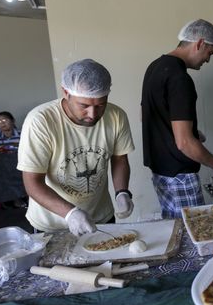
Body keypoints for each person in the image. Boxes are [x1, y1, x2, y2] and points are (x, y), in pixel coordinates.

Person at [17, 59, 136, 235]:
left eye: (100, 105)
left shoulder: (116, 116)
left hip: (101, 218)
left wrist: (122, 192)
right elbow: (33, 182)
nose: (93, 114)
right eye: (84, 105)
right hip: (53, 223)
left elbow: (119, 159)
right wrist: (70, 213)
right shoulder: (40, 121)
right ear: (66, 92)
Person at [141, 19, 213, 219]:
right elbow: (184, 143)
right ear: (199, 43)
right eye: (209, 53)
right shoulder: (179, 78)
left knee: (174, 231)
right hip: (179, 175)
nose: (208, 60)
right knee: (192, 235)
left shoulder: (155, 67)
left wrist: (189, 130)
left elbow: (149, 117)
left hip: (161, 172)